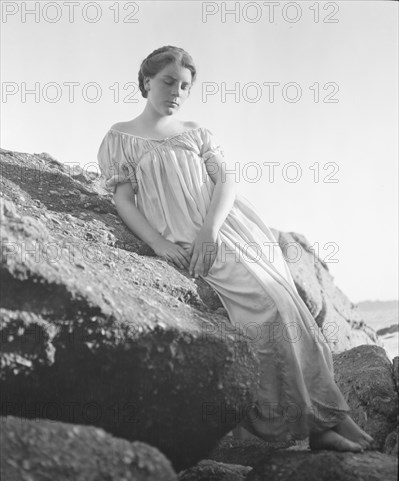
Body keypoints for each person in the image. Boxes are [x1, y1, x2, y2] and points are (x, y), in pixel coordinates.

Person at [97, 45, 374, 453]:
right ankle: (317, 424)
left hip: (228, 229)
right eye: (168, 81)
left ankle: (333, 419)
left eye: (185, 85)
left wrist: (210, 230)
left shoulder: (195, 132)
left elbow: (226, 181)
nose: (176, 91)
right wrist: (156, 243)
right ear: (145, 82)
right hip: (183, 237)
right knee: (269, 308)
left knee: (291, 306)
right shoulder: (120, 138)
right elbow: (123, 199)